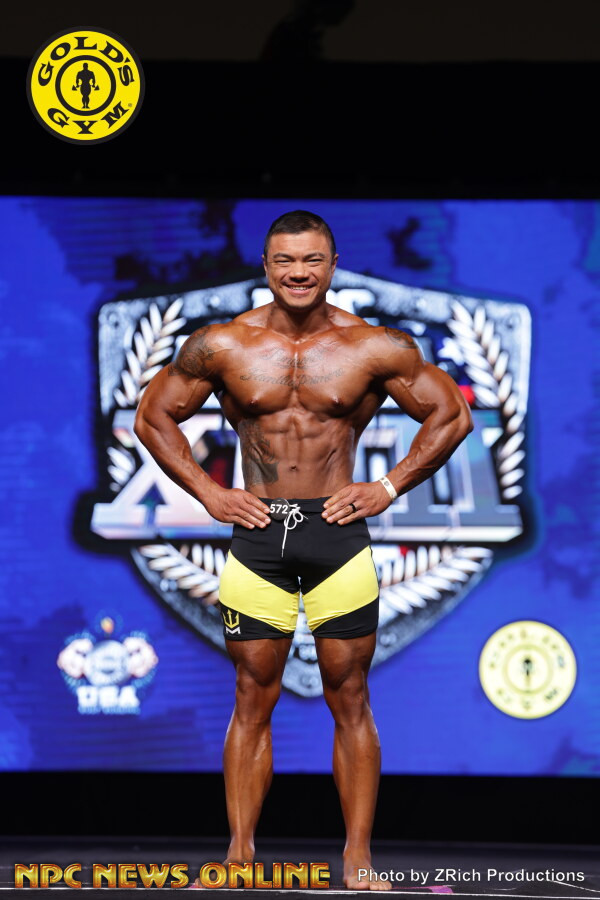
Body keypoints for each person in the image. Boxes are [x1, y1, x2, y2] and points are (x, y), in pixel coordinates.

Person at [134, 210, 473, 890]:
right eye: (285, 260)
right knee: (250, 694)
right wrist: (209, 492)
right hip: (258, 536)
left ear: (332, 265)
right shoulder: (223, 344)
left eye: (312, 260)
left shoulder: (372, 346)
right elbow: (152, 416)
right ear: (265, 267)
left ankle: (358, 859)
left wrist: (387, 486)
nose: (298, 272)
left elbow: (451, 414)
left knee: (350, 696)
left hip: (336, 536)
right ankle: (238, 857)